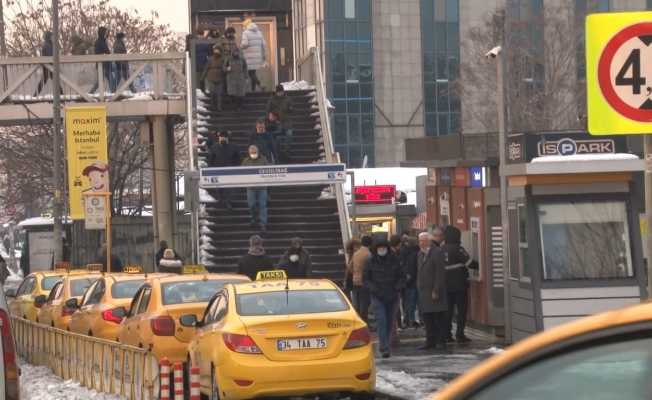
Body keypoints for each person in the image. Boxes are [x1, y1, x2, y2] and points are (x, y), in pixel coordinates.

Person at [363, 238, 405, 358]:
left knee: (390, 322)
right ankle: (384, 347)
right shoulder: (370, 261)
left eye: (384, 248)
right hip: (378, 296)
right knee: (381, 320)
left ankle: (385, 343)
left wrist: (398, 287)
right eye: (379, 248)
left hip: (392, 295)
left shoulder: (395, 260)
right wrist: (374, 289)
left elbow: (401, 276)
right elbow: (366, 279)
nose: (382, 250)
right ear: (376, 249)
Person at [442, 225, 479, 344]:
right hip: (459, 285)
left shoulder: (441, 249)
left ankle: (447, 334)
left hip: (446, 286)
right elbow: (470, 263)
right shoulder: (458, 249)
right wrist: (481, 265)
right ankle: (460, 334)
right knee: (461, 310)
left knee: (448, 311)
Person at [417, 232, 447, 351]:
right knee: (427, 317)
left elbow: (440, 273)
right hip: (424, 291)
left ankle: (441, 341)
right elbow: (419, 271)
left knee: (438, 317)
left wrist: (436, 289)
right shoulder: (420, 254)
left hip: (434, 290)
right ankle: (430, 341)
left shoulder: (437, 252)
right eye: (419, 241)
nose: (421, 243)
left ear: (429, 241)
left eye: (423, 241)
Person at [208, 131, 240, 210]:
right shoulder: (214, 147)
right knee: (219, 188)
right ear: (219, 138)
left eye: (224, 137)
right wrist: (211, 168)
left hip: (230, 170)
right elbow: (211, 159)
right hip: (218, 170)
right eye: (221, 137)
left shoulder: (233, 147)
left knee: (229, 188)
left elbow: (238, 158)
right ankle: (221, 200)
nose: (223, 138)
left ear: (227, 138)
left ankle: (228, 201)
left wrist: (235, 167)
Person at [242, 145, 269, 231]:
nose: (253, 154)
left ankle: (263, 223)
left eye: (255, 152)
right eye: (252, 153)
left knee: (262, 205)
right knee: (251, 205)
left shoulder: (263, 159)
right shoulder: (246, 161)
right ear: (249, 153)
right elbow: (241, 172)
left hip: (262, 187)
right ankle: (253, 218)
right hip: (250, 187)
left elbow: (268, 171)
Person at [240, 17, 267, 92]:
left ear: (246, 25)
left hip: (249, 56)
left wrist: (240, 46)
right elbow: (264, 44)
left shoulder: (245, 33)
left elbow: (245, 44)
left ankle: (260, 85)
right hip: (257, 56)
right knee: (253, 73)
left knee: (250, 73)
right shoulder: (259, 32)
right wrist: (264, 56)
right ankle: (253, 90)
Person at [350, 235, 372, 322]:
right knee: (364, 304)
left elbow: (349, 267)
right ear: (370, 244)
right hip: (364, 282)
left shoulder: (356, 254)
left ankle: (357, 320)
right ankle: (364, 322)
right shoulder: (369, 255)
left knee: (356, 304)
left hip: (355, 281)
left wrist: (355, 273)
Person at [401, 235, 421, 328]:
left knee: (410, 304)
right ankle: (419, 320)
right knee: (418, 303)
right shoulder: (419, 253)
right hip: (418, 282)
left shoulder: (407, 254)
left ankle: (410, 320)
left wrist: (407, 280)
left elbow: (409, 269)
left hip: (410, 283)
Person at [90, 27, 115, 93]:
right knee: (102, 81)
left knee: (110, 80)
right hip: (102, 65)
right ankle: (90, 93)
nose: (106, 34)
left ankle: (114, 93)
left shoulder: (103, 41)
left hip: (105, 64)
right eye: (105, 32)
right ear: (102, 33)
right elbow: (103, 52)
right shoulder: (99, 42)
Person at [201, 46, 227, 111]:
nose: (216, 52)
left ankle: (219, 107)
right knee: (212, 93)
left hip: (220, 78)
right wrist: (202, 78)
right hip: (211, 78)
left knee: (219, 94)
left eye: (217, 51)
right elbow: (206, 69)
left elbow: (224, 69)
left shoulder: (223, 59)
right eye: (215, 51)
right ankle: (213, 106)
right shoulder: (210, 59)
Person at [35, 31, 56, 97]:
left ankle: (34, 96)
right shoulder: (47, 45)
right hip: (49, 67)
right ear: (49, 37)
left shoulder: (48, 45)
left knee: (43, 82)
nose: (53, 38)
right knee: (55, 81)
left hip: (48, 67)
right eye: (52, 36)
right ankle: (34, 96)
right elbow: (50, 56)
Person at [195, 27, 212, 92]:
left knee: (199, 80)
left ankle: (200, 91)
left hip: (199, 65)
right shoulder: (205, 43)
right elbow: (210, 53)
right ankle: (202, 91)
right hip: (203, 64)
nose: (200, 36)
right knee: (202, 80)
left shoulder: (196, 43)